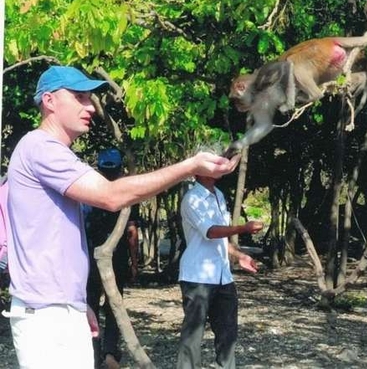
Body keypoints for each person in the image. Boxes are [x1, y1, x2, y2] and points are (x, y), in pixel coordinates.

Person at [4, 65, 240, 369]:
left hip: (58, 308)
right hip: (47, 315)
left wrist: (77, 303)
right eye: (79, 97)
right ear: (49, 101)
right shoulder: (41, 148)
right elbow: (111, 196)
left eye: (90, 97)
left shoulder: (50, 151)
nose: (90, 106)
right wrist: (190, 166)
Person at [177, 166, 264, 369]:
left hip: (222, 275)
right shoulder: (192, 199)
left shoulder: (219, 195)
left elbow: (220, 238)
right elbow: (211, 232)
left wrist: (239, 255)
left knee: (228, 333)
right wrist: (243, 228)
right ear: (198, 172)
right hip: (198, 275)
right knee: (193, 334)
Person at [85, 148, 140, 369]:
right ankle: (110, 353)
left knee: (90, 307)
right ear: (120, 170)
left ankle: (93, 353)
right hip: (115, 260)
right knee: (113, 306)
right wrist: (134, 263)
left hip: (90, 259)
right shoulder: (126, 194)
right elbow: (132, 233)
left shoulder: (88, 192)